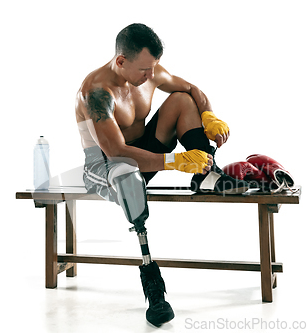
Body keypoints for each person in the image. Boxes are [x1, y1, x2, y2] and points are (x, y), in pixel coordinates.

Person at [75, 23, 249, 327]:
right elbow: (115, 150)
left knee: (182, 100)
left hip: (144, 155)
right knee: (127, 174)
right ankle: (152, 282)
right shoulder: (96, 93)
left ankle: (207, 177)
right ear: (121, 62)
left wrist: (208, 115)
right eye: (144, 69)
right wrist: (174, 161)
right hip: (106, 166)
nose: (150, 76)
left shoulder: (149, 72)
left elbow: (192, 90)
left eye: (153, 67)